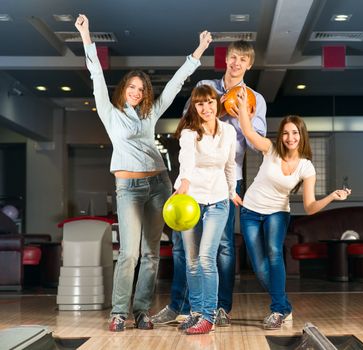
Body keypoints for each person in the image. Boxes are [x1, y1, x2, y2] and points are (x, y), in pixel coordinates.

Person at [74, 14, 212, 332]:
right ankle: (119, 312)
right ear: (124, 89)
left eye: (141, 88)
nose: (136, 92)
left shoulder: (149, 115)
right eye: (132, 87)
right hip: (128, 188)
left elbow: (176, 85)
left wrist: (198, 52)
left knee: (151, 252)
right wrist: (86, 36)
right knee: (129, 253)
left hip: (159, 183)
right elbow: (96, 74)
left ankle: (141, 311)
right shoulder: (109, 113)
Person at [152, 40, 267, 327]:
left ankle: (218, 309)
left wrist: (240, 117)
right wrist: (185, 180)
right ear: (225, 60)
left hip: (228, 181)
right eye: (232, 58)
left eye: (242, 59)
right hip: (192, 185)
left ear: (249, 64)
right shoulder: (206, 86)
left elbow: (257, 145)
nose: (236, 63)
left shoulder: (254, 99)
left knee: (223, 247)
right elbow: (187, 129)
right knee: (183, 248)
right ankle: (184, 306)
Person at [235, 86, 351, 329]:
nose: (290, 137)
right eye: (286, 133)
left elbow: (309, 207)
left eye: (295, 133)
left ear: (301, 135)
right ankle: (284, 306)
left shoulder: (306, 167)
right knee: (258, 265)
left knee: (275, 254)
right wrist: (244, 107)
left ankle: (277, 310)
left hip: (278, 212)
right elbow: (247, 131)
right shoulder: (271, 150)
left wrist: (331, 196)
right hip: (250, 211)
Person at [171, 84, 240, 335]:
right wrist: (185, 180)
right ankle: (196, 312)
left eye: (210, 102)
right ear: (194, 106)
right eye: (200, 103)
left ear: (217, 103)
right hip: (190, 200)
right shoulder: (189, 133)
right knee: (191, 260)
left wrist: (233, 191)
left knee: (206, 258)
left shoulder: (229, 131)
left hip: (218, 200)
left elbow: (230, 164)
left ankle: (208, 316)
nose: (206, 108)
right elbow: (186, 160)